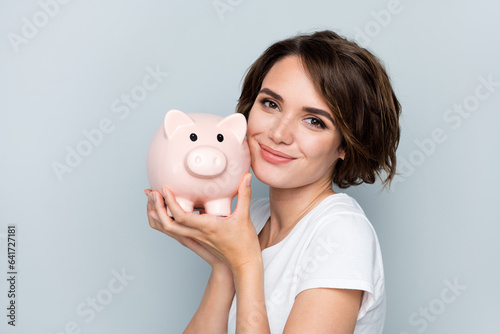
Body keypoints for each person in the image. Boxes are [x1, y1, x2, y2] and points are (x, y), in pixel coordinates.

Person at [145, 30, 401, 333]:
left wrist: (245, 263)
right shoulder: (250, 217)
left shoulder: (341, 234)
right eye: (271, 104)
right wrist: (224, 267)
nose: (279, 133)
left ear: (345, 145)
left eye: (314, 121)